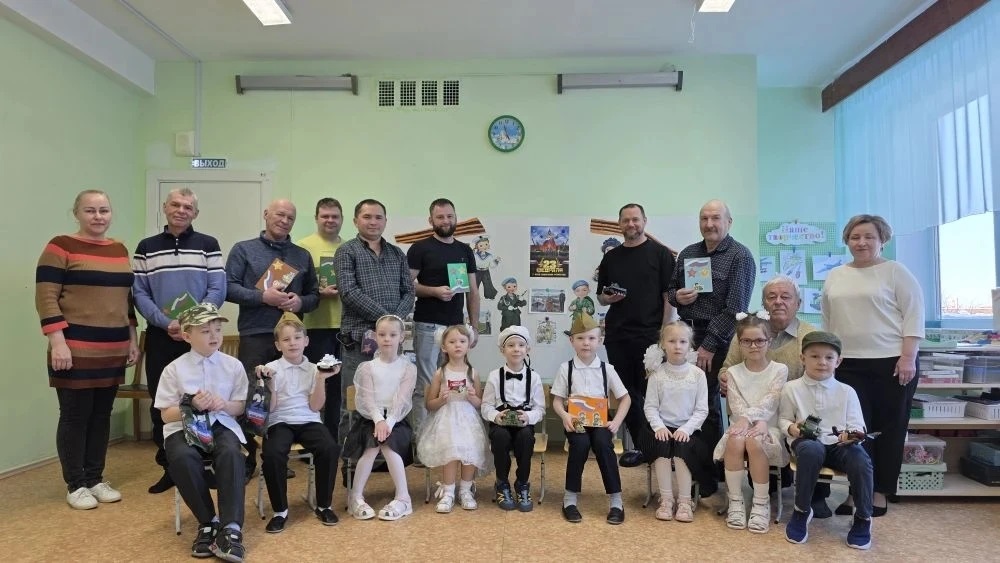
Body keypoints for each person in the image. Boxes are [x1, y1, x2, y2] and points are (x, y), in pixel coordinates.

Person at [35, 189, 139, 510]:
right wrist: (57, 342)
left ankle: (95, 478)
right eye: (90, 210)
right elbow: (46, 297)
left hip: (112, 348)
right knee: (75, 416)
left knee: (101, 415)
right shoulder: (60, 246)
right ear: (77, 213)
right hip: (74, 348)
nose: (98, 216)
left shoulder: (119, 250)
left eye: (103, 210)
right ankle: (76, 484)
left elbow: (125, 300)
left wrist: (132, 338)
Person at [820, 214, 924, 517]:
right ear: (847, 241)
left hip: (892, 362)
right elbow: (828, 320)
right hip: (847, 363)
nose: (861, 242)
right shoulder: (835, 275)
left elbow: (914, 315)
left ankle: (879, 493)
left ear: (882, 240)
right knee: (854, 431)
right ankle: (856, 492)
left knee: (889, 429)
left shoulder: (895, 272)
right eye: (855, 237)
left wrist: (908, 357)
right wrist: (830, 358)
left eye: (869, 237)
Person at [133, 187, 226, 494]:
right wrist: (166, 322)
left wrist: (192, 323)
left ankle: (201, 464)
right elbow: (139, 293)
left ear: (195, 213)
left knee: (203, 398)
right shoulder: (146, 247)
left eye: (188, 207)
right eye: (176, 204)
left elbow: (218, 288)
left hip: (198, 336)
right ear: (165, 207)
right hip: (162, 335)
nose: (181, 210)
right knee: (163, 402)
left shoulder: (208, 245)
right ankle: (170, 468)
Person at [226, 199, 320, 478]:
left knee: (286, 396)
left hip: (291, 340)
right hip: (255, 334)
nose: (284, 220)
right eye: (280, 214)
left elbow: (314, 296)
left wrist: (300, 302)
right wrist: (262, 297)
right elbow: (227, 288)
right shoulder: (243, 249)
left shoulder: (301, 255)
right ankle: (248, 460)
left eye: (290, 217)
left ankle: (277, 457)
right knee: (253, 396)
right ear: (266, 214)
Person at [668, 199, 755, 495]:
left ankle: (712, 474)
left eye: (716, 218)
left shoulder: (740, 256)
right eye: (704, 218)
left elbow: (736, 309)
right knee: (685, 403)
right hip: (685, 335)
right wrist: (677, 297)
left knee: (707, 407)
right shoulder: (688, 253)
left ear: (729, 222)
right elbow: (670, 291)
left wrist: (707, 346)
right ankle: (694, 466)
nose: (709, 224)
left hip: (717, 338)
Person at [719, 275, 827, 515]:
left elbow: (820, 380)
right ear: (764, 303)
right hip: (753, 416)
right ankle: (756, 495)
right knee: (752, 450)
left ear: (798, 303)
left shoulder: (809, 335)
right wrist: (726, 378)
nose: (778, 302)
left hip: (796, 414)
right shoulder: (748, 332)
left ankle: (816, 493)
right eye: (772, 297)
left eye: (785, 297)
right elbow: (728, 368)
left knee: (811, 437)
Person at [155, 303, 249, 561]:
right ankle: (208, 523)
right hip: (183, 427)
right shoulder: (174, 369)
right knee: (182, 457)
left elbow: (240, 407)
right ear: (187, 336)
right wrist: (190, 405)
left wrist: (224, 405)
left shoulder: (233, 366)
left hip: (220, 424)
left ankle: (231, 528)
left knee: (231, 452)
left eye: (217, 329)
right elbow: (165, 414)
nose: (214, 336)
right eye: (205, 331)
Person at [778, 331, 873, 550]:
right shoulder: (791, 388)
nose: (822, 362)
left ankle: (863, 517)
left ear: (838, 361)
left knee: (861, 459)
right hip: (806, 442)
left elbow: (858, 425)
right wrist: (792, 428)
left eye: (829, 357)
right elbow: (783, 419)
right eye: (814, 356)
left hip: (839, 445)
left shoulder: (847, 392)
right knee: (811, 450)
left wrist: (853, 435)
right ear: (802, 358)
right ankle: (802, 511)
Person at [597, 203, 675, 468]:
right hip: (617, 336)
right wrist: (607, 298)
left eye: (635, 219)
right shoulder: (611, 258)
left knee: (653, 394)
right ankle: (646, 448)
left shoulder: (661, 254)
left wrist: (665, 333)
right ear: (619, 224)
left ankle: (663, 448)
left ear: (644, 221)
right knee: (625, 393)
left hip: (650, 336)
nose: (631, 224)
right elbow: (601, 296)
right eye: (626, 220)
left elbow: (668, 297)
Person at [334, 199, 415, 441]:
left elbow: (409, 292)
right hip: (358, 341)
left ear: (385, 221)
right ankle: (350, 456)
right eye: (367, 217)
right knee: (353, 402)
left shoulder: (397, 254)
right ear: (355, 220)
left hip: (392, 345)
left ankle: (387, 454)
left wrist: (393, 323)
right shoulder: (346, 251)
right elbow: (348, 292)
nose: (373, 222)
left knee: (391, 399)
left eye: (378, 217)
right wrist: (387, 320)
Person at [259, 315, 342, 533]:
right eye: (286, 340)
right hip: (280, 421)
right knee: (273, 453)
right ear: (278, 345)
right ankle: (280, 511)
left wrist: (322, 379)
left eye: (297, 338)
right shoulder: (271, 368)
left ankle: (324, 505)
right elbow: (271, 408)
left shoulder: (316, 368)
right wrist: (270, 384)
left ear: (306, 341)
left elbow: (315, 407)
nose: (292, 343)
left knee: (329, 448)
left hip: (308, 420)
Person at [407, 199, 479, 438]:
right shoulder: (419, 249)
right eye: (440, 217)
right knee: (426, 386)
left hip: (456, 329)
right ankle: (422, 441)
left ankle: (446, 439)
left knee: (454, 384)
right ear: (431, 220)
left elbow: (473, 291)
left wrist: (474, 327)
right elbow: (407, 285)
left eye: (450, 216)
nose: (446, 221)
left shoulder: (465, 250)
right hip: (427, 325)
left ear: (456, 218)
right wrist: (434, 291)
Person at [552, 313, 631, 525]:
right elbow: (557, 401)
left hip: (601, 420)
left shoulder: (608, 369)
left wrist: (616, 422)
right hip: (575, 420)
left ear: (600, 341)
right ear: (572, 341)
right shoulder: (566, 368)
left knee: (603, 444)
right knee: (579, 444)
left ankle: (616, 501)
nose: (586, 343)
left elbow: (625, 399)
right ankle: (569, 500)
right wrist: (564, 415)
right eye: (580, 338)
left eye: (591, 338)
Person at [713, 312, 789, 533]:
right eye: (747, 341)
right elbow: (736, 406)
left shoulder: (779, 370)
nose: (753, 346)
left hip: (769, 426)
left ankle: (760, 503)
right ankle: (735, 501)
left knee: (755, 441)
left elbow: (772, 400)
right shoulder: (732, 373)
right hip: (739, 425)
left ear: (769, 341)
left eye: (759, 340)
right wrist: (746, 420)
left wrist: (757, 421)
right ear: (739, 343)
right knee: (736, 440)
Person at [342, 315, 417, 521]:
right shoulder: (367, 368)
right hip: (370, 419)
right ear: (375, 336)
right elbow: (367, 398)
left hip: (396, 420)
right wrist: (378, 421)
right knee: (371, 446)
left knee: (388, 445)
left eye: (392, 335)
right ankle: (356, 497)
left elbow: (402, 400)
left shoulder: (408, 368)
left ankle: (403, 498)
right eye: (382, 334)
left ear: (401, 337)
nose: (387, 339)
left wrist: (388, 422)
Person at [640, 321, 708, 523]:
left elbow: (701, 410)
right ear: (663, 344)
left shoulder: (698, 375)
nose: (677, 346)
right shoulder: (657, 375)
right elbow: (650, 407)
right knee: (661, 447)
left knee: (681, 451)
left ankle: (685, 501)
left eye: (683, 342)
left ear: (689, 345)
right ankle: (666, 499)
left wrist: (686, 429)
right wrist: (659, 427)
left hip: (689, 429)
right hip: (661, 427)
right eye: (672, 341)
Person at [416, 325, 489, 513]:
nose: (458, 345)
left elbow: (480, 403)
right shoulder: (440, 373)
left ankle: (465, 490)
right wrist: (441, 399)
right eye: (452, 342)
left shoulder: (473, 373)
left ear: (469, 345)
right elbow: (429, 404)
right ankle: (448, 492)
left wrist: (472, 396)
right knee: (451, 452)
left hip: (468, 420)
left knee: (469, 451)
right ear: (444, 347)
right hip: (446, 419)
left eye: (462, 341)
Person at [481, 325, 545, 512]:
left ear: (527, 349)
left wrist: (528, 416)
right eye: (511, 345)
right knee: (500, 437)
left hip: (524, 422)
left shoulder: (534, 377)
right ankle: (502, 483)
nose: (516, 349)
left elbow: (540, 408)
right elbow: (485, 406)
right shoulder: (494, 376)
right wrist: (495, 415)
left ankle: (522, 483)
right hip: (501, 422)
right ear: (502, 350)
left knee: (526, 438)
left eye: (521, 345)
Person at [297, 197, 345, 442]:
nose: (330, 220)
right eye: (325, 216)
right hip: (314, 327)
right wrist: (318, 292)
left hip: (345, 328)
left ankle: (333, 440)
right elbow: (295, 287)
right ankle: (312, 439)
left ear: (342, 219)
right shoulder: (302, 247)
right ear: (316, 218)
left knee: (338, 388)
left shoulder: (349, 247)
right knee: (314, 384)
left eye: (335, 216)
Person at [471, 235, 500, 300]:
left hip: (486, 271)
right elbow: (472, 263)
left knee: (488, 284)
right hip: (477, 271)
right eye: (481, 245)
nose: (484, 247)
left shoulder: (489, 256)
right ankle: (474, 296)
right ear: (477, 246)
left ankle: (490, 295)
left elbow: (492, 265)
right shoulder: (475, 255)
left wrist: (496, 261)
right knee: (475, 284)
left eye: (486, 244)